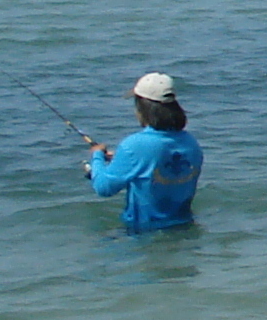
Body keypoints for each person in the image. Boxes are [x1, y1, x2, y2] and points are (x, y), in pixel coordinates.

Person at [87, 71, 204, 232]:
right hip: (184, 226)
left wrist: (97, 157)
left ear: (142, 107)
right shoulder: (191, 142)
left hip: (143, 231)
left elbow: (104, 188)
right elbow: (159, 165)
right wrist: (122, 159)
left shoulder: (135, 144)